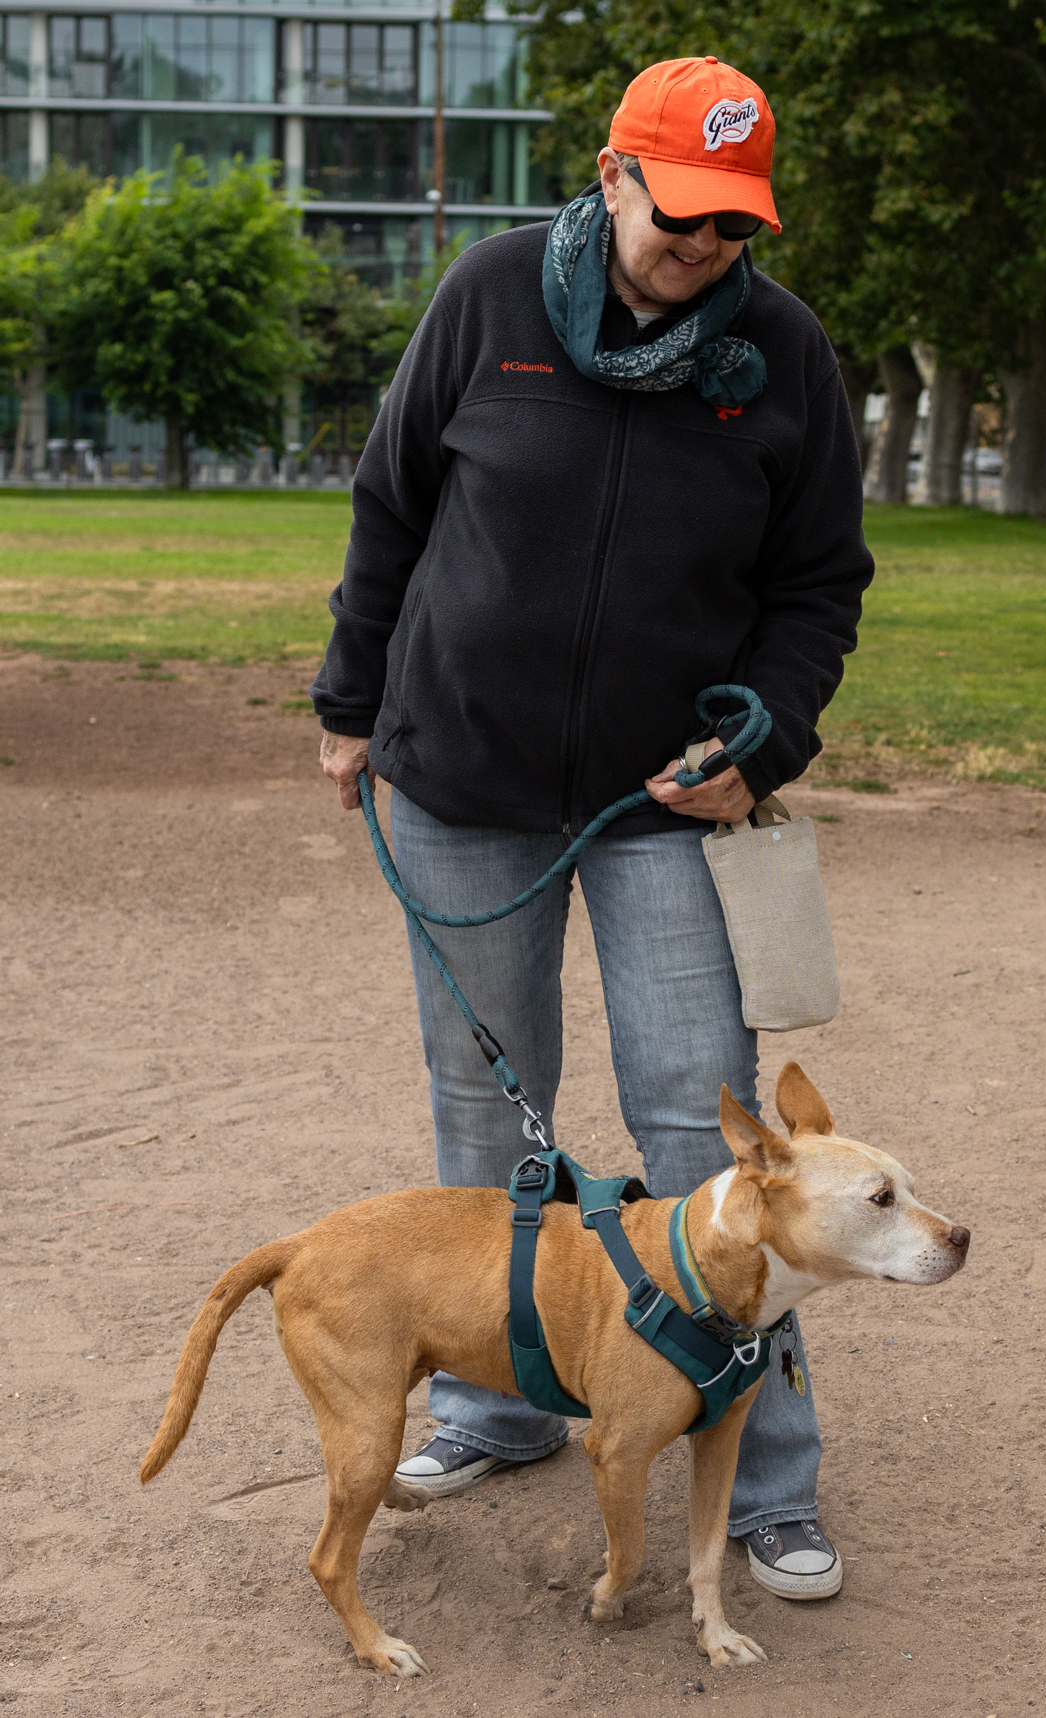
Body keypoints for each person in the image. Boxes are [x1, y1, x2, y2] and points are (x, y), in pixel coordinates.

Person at [313, 55, 874, 1601]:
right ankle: (501, 1402)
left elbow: (818, 582)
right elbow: (391, 504)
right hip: (459, 775)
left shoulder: (780, 352)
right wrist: (352, 701)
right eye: (679, 214)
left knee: (712, 1134)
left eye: (731, 225)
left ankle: (765, 1479)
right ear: (614, 179)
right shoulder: (491, 297)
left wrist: (766, 731)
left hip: (663, 800)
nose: (702, 250)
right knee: (491, 1118)